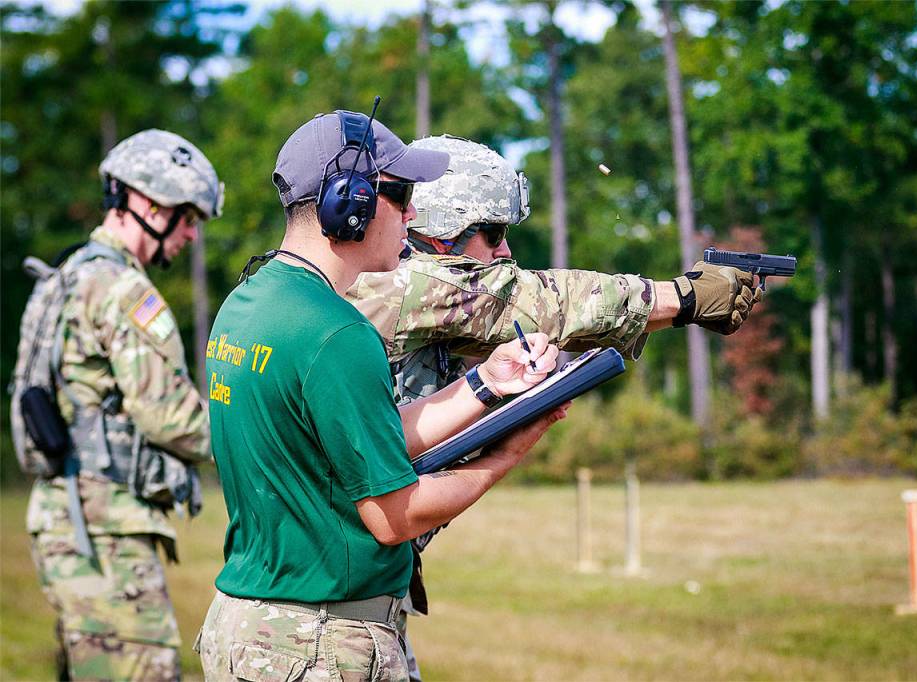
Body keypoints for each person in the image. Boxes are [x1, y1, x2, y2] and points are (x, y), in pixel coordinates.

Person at [346, 134, 762, 679]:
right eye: (491, 234)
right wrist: (682, 298)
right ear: (436, 233)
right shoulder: (404, 284)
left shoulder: (409, 298)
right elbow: (545, 303)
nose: (504, 253)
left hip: (368, 595)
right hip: (337, 609)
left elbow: (550, 324)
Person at [196, 109, 568, 682]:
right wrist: (507, 453)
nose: (413, 214)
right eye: (401, 195)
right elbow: (395, 516)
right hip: (318, 646)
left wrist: (487, 384)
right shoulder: (338, 334)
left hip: (247, 628)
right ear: (351, 202)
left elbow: (362, 439)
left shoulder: (250, 303)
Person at [15, 129, 223, 681]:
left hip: (66, 517)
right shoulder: (124, 290)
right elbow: (170, 416)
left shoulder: (70, 273)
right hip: (103, 531)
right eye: (187, 219)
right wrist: (259, 437)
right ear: (148, 204)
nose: (191, 237)